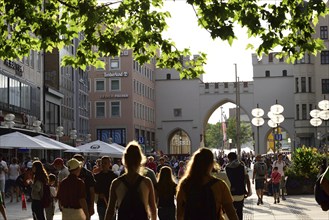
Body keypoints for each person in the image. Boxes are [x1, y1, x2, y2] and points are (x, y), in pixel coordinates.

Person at [176, 148, 238, 220]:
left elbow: (179, 213)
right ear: (211, 164)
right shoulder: (220, 185)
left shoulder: (184, 184)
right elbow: (231, 212)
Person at [104, 140, 157, 220]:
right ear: (140, 160)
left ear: (124, 160)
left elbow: (110, 211)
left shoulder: (116, 183)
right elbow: (153, 209)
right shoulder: (147, 182)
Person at [226, 152, 251, 220]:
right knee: (240, 211)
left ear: (229, 158)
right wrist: (249, 191)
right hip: (240, 192)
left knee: (231, 212)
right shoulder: (242, 167)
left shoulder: (226, 167)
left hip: (230, 193)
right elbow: (247, 179)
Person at [73, 154, 96, 219]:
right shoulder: (70, 174)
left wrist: (92, 206)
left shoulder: (88, 174)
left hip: (86, 203)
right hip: (74, 205)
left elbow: (92, 191)